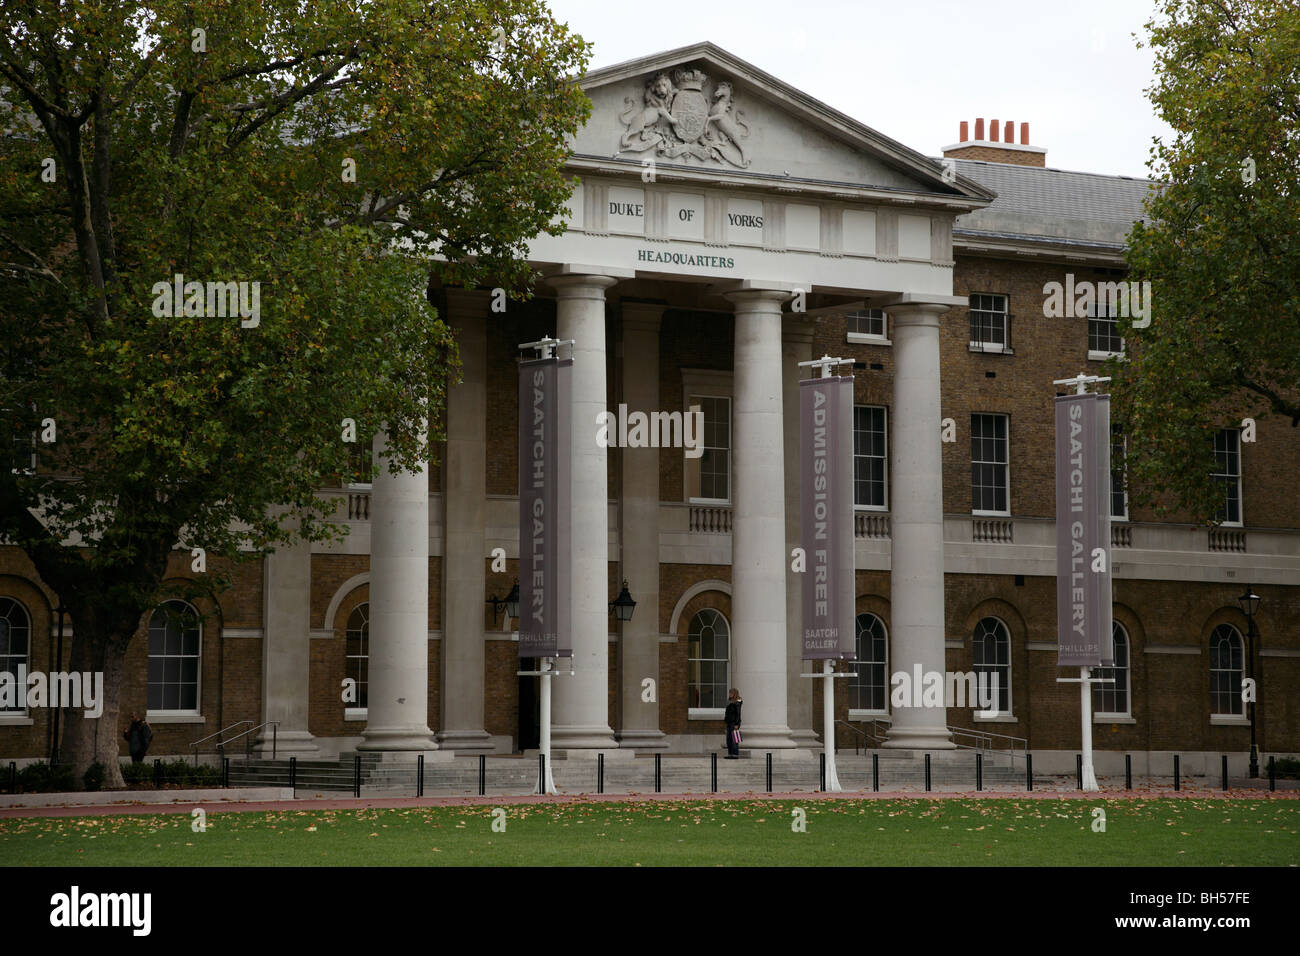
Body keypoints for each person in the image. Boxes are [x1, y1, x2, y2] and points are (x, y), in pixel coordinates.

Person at [724, 688, 742, 758]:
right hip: (729, 722)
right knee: (728, 739)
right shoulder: (729, 701)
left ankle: (735, 754)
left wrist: (737, 724)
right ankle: (730, 754)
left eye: (731, 693)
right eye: (729, 693)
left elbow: (738, 713)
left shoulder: (738, 701)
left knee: (735, 739)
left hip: (734, 723)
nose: (730, 694)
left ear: (735, 694)